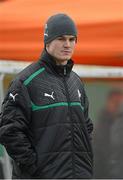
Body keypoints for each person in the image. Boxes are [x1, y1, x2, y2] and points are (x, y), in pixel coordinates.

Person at [0, 13, 93, 179]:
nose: (67, 45)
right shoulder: (26, 81)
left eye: (72, 39)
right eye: (61, 39)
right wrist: (34, 167)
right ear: (47, 41)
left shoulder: (76, 82)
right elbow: (9, 130)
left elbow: (86, 127)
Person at [93, 88, 123, 178]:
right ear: (108, 102)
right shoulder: (100, 126)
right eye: (115, 102)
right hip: (103, 173)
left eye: (119, 104)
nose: (117, 106)